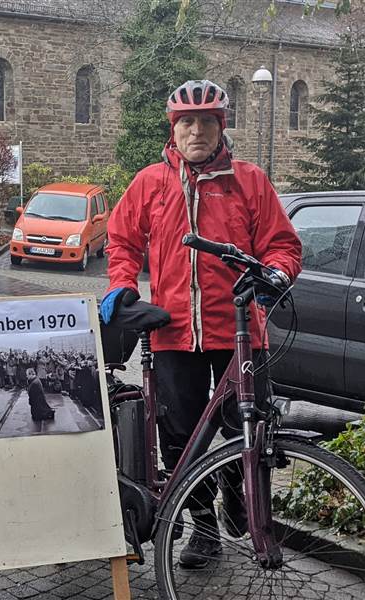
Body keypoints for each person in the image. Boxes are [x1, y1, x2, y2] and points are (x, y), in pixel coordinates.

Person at [101, 80, 301, 569]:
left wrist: (276, 273)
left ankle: (245, 509)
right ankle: (203, 528)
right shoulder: (151, 182)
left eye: (206, 121)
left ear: (220, 127)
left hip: (239, 330)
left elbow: (283, 244)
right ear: (175, 130)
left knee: (248, 429)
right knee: (179, 436)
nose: (196, 131)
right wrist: (122, 287)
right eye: (187, 122)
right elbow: (122, 241)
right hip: (172, 332)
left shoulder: (249, 180)